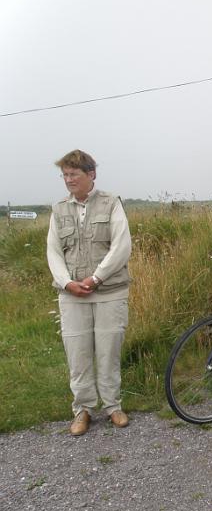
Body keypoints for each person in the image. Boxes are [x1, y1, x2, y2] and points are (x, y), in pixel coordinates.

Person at [47, 150, 132, 436]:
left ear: (91, 174)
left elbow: (121, 246)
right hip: (71, 296)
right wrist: (67, 283)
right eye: (66, 175)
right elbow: (54, 252)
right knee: (78, 354)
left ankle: (113, 406)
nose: (69, 180)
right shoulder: (58, 210)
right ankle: (82, 409)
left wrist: (96, 278)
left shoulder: (111, 204)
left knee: (108, 352)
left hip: (109, 292)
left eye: (74, 174)